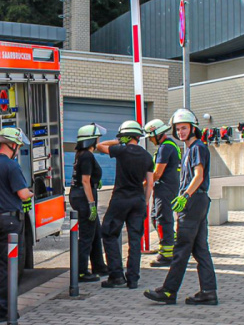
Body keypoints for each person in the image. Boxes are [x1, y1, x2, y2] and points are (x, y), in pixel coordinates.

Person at [144, 109, 219, 305]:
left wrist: (185, 195)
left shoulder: (197, 148)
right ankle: (209, 292)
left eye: (184, 128)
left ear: (193, 128)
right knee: (200, 249)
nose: (181, 132)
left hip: (193, 202)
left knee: (181, 248)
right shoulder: (189, 148)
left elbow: (198, 176)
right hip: (197, 201)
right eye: (178, 129)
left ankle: (169, 291)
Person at [0, 127, 34, 324]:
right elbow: (23, 194)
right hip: (10, 222)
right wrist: (31, 192)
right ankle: (2, 310)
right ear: (11, 144)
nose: (18, 149)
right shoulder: (12, 167)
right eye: (18, 145)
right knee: (8, 266)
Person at [95, 121, 154, 289]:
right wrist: (145, 202)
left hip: (120, 199)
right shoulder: (147, 156)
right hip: (138, 200)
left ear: (125, 136)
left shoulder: (121, 150)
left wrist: (116, 141)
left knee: (108, 233)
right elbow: (150, 184)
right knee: (135, 240)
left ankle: (116, 276)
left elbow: (99, 146)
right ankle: (133, 279)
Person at [69, 124, 109, 282]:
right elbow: (85, 181)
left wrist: (95, 181)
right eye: (97, 138)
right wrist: (91, 204)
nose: (98, 141)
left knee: (95, 232)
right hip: (84, 198)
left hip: (80, 195)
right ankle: (81, 271)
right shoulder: (86, 156)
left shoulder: (82, 154)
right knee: (86, 236)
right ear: (91, 140)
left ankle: (99, 266)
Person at [144, 118, 182, 268]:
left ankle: (167, 254)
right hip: (167, 188)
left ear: (157, 134)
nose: (150, 140)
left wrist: (142, 185)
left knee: (162, 219)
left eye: (151, 137)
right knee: (156, 217)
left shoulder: (165, 147)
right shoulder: (170, 145)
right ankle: (172, 244)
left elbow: (158, 173)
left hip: (165, 188)